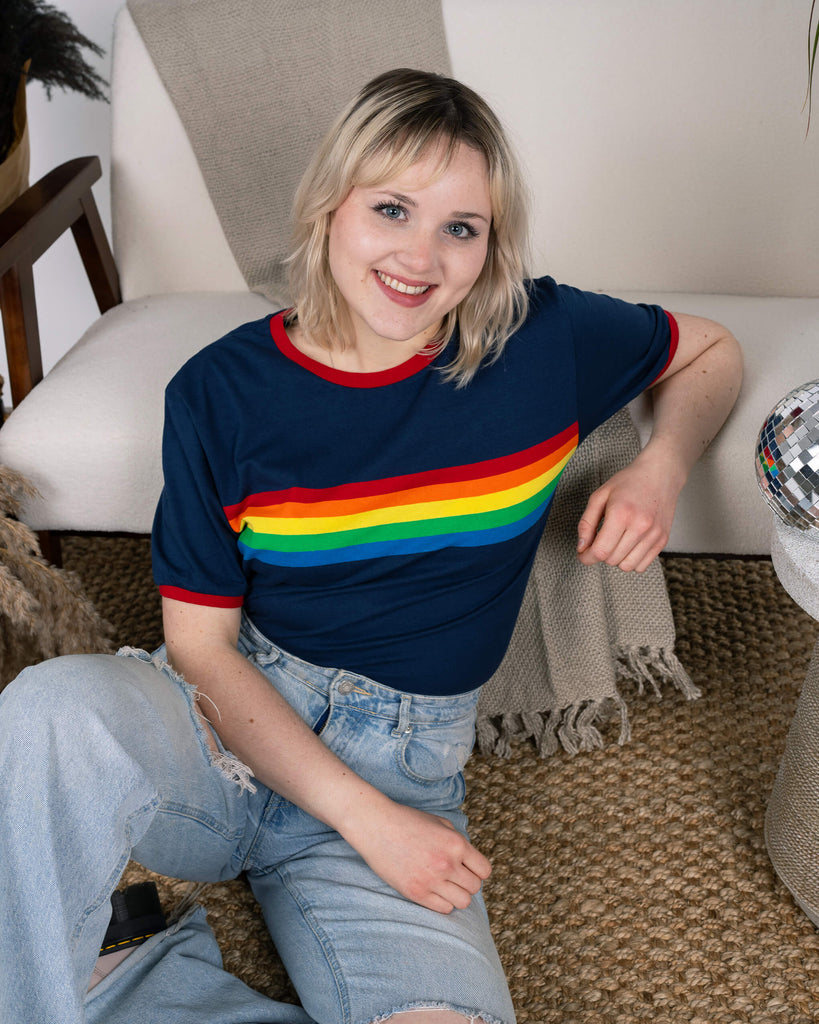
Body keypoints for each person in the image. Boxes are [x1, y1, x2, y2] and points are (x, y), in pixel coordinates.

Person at [0, 68, 742, 1024]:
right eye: (391, 208)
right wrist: (367, 820)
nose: (420, 256)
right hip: (225, 731)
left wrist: (661, 466)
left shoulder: (542, 341)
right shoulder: (220, 394)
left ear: (491, 248)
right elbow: (198, 647)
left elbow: (710, 350)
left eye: (459, 228)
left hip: (406, 759)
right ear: (329, 208)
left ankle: (126, 974)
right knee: (51, 708)